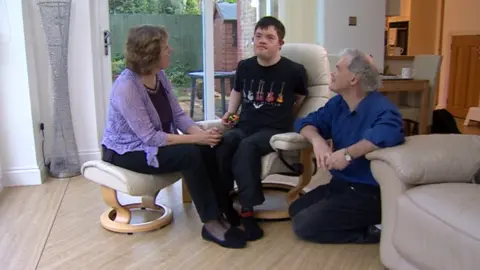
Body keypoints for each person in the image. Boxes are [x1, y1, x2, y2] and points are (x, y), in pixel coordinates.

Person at [101, 25, 247, 249]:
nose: (171, 50)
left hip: (151, 143)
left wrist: (202, 134)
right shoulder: (127, 87)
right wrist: (195, 140)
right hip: (126, 151)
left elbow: (178, 116)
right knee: (190, 153)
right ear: (150, 53)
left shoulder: (159, 75)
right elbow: (150, 138)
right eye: (165, 47)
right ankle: (210, 223)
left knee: (210, 146)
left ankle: (223, 210)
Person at [290, 49, 405, 244]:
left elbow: (390, 132)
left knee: (304, 225)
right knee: (295, 209)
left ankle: (374, 231)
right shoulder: (338, 105)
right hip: (341, 185)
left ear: (353, 79)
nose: (332, 74)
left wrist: (349, 154)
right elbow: (304, 123)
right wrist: (318, 141)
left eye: (337, 68)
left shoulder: (382, 108)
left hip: (368, 193)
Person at [215, 16, 308, 241]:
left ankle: (247, 211)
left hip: (274, 129)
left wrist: (289, 119)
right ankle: (224, 203)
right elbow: (237, 91)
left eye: (269, 37)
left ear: (280, 43)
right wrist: (230, 113)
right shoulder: (245, 66)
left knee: (247, 147)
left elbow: (300, 97)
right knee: (225, 143)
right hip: (245, 125)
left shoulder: (294, 70)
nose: (262, 41)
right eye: (258, 36)